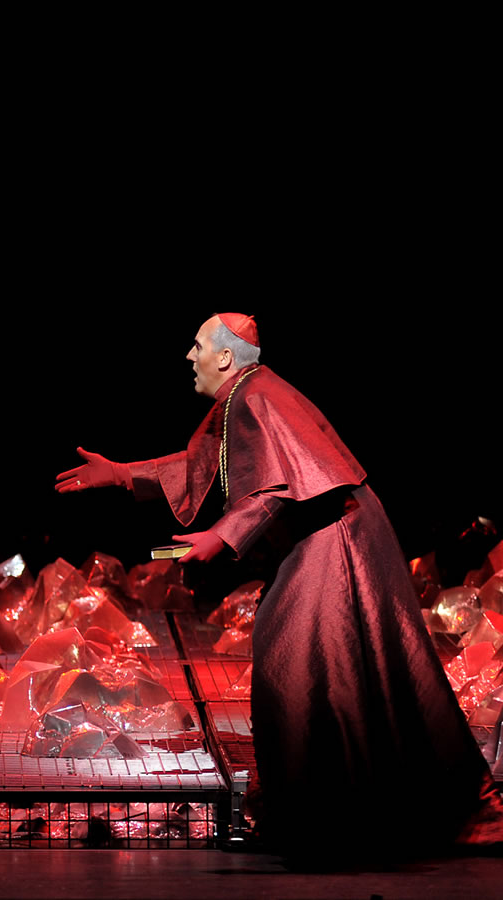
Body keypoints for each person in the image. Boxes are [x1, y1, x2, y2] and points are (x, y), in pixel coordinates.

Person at [55, 313, 496, 856]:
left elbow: (278, 486)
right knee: (332, 660)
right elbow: (201, 464)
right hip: (331, 531)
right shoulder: (242, 395)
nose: (189, 357)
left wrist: (221, 535)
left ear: (225, 357)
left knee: (303, 656)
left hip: (338, 536)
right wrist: (123, 473)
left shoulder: (256, 397)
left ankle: (328, 814)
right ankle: (331, 807)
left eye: (197, 347)